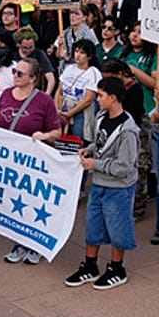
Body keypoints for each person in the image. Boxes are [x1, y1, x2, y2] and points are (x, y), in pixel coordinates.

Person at [65, 77, 140, 290]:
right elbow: (100, 143)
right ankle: (90, 266)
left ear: (113, 97)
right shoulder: (101, 117)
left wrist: (95, 163)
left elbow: (124, 166)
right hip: (99, 183)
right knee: (93, 226)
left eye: (101, 95)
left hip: (119, 188)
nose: (97, 99)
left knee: (118, 229)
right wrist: (89, 150)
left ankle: (117, 268)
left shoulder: (128, 131)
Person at [0, 57, 63, 264]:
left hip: (36, 161)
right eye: (15, 71)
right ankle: (18, 241)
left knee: (33, 201)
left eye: (20, 73)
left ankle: (35, 244)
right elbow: (2, 122)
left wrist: (44, 136)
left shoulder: (44, 100)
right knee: (14, 200)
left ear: (33, 78)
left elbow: (57, 132)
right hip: (12, 159)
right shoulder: (6, 94)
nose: (15, 76)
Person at [58, 40, 100, 140]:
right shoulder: (69, 68)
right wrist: (58, 110)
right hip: (64, 106)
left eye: (82, 53)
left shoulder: (93, 73)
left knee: (78, 136)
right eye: (77, 51)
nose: (78, 55)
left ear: (89, 56)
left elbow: (88, 99)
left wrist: (69, 114)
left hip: (80, 110)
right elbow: (59, 91)